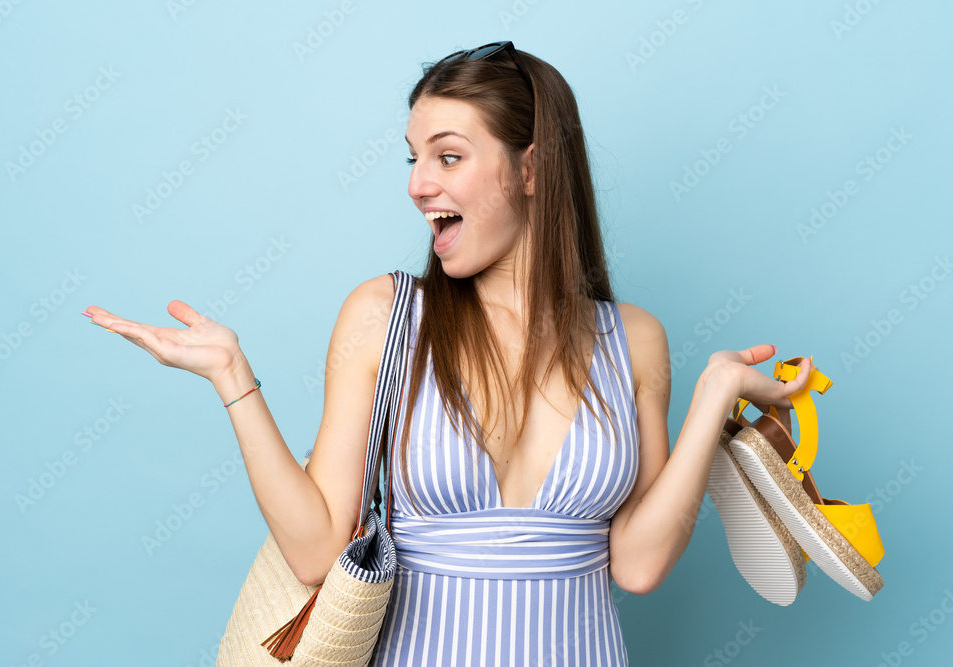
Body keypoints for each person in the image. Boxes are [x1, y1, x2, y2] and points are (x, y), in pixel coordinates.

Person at [85, 41, 812, 666]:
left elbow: (641, 563)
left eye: (449, 156)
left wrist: (715, 394)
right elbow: (313, 552)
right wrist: (233, 380)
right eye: (414, 158)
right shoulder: (384, 317)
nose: (417, 184)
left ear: (530, 169)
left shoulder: (634, 340)